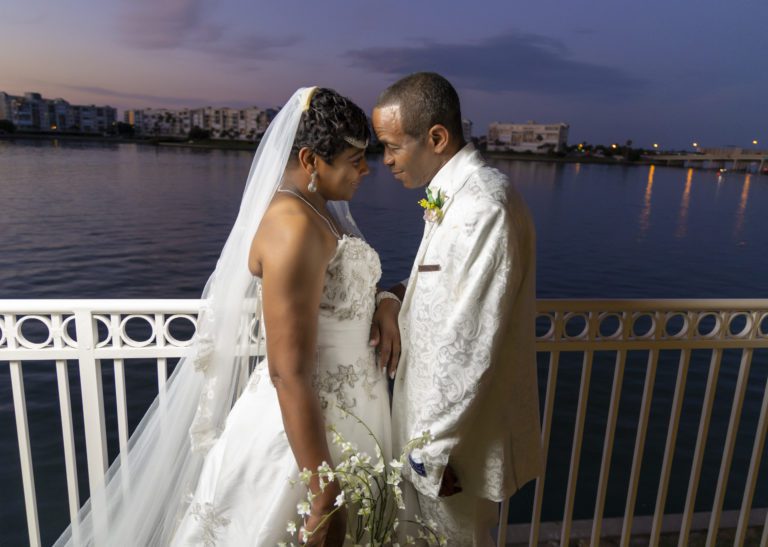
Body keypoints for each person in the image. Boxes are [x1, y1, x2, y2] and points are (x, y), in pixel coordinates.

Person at [55, 87, 392, 547]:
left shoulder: (318, 212)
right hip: (306, 435)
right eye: (355, 160)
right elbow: (288, 372)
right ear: (312, 160)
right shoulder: (292, 226)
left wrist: (389, 302)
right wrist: (322, 489)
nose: (365, 170)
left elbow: (346, 298)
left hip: (351, 412)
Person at [370, 72, 544, 545]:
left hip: (453, 451)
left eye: (391, 146)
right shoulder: (457, 197)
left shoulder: (485, 206)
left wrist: (430, 454)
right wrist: (391, 296)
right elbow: (442, 285)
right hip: (428, 438)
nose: (383, 160)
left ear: (437, 138)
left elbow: (471, 341)